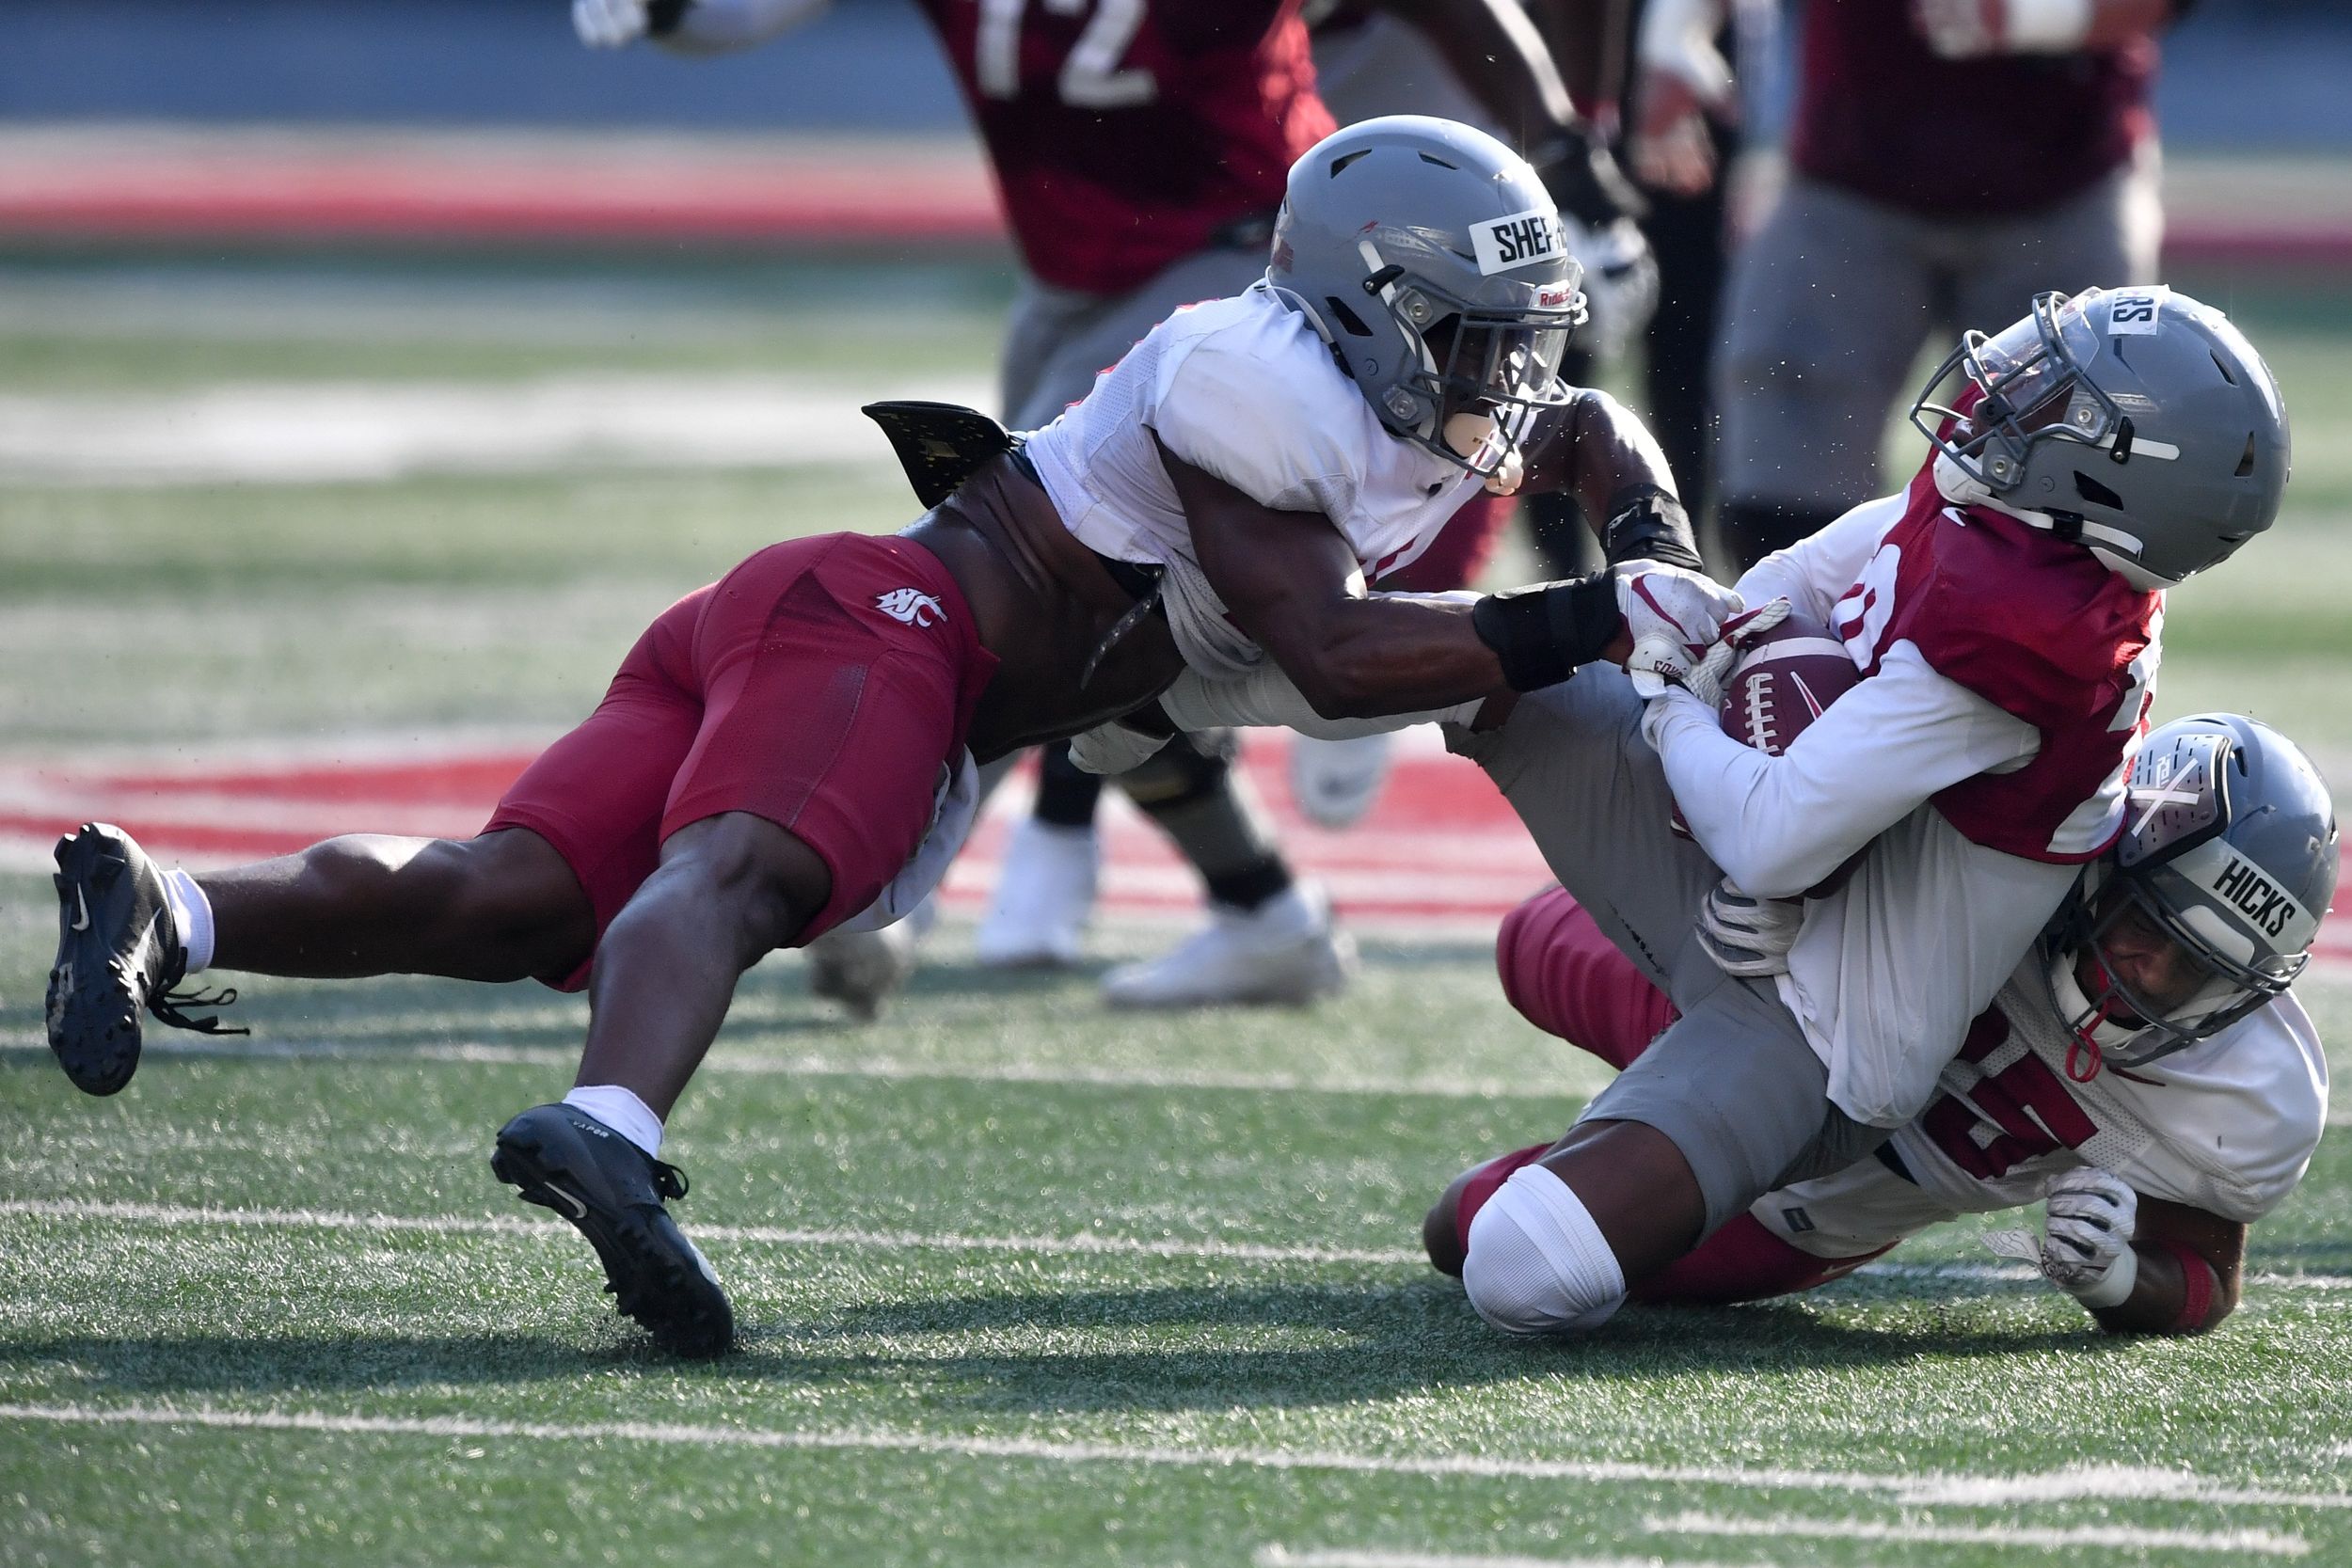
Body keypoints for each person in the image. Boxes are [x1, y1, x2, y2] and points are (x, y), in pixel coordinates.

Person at [46, 117, 1725, 1357]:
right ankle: (610, 1129)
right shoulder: (1252, 380)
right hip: (884, 624)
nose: (1510, 371)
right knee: (745, 870)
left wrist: (1645, 535)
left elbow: (1586, 430)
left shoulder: (1380, 393)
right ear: (1368, 303)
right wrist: (1596, 617)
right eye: (1477, 330)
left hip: (818, 619)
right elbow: (1341, 652)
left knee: (508, 901)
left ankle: (173, 910)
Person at [1115, 282, 2291, 1337]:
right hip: (1759, 892)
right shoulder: (2011, 530)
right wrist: (1686, 631)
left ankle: (1644, 1129)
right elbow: (1777, 599)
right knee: (1498, 740)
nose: (2011, 387)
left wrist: (1671, 689)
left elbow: (1771, 831)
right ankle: (1151, 680)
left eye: (2061, 400)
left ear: (2116, 480)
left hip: (1815, 1032)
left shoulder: (2038, 652)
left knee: (1504, 1254)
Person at [577, 0, 1651, 1012]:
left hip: (1246, 266)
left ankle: (873, 859)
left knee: (1021, 601)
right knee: (1129, 635)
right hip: (1075, 275)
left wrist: (1573, 155)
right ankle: (1259, 905)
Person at [1431, 710, 2335, 1337]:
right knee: (1528, 944)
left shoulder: (2247, 1094)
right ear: (2107, 864)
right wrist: (1802, 883)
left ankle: (1613, 1147)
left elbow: (2209, 1277)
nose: (2150, 974)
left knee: (1468, 1229)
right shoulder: (2024, 828)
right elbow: (1843, 781)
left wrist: (2120, 1278)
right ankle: (1638, 1112)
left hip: (1792, 1211)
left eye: (2202, 971)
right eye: (2147, 924)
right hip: (1768, 1011)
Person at [1712, 0, 2187, 570]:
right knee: (1780, 504)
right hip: (1851, 171)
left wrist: (2029, 18)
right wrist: (1676, 31)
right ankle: (1798, 657)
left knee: (2061, 515)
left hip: (2061, 176)